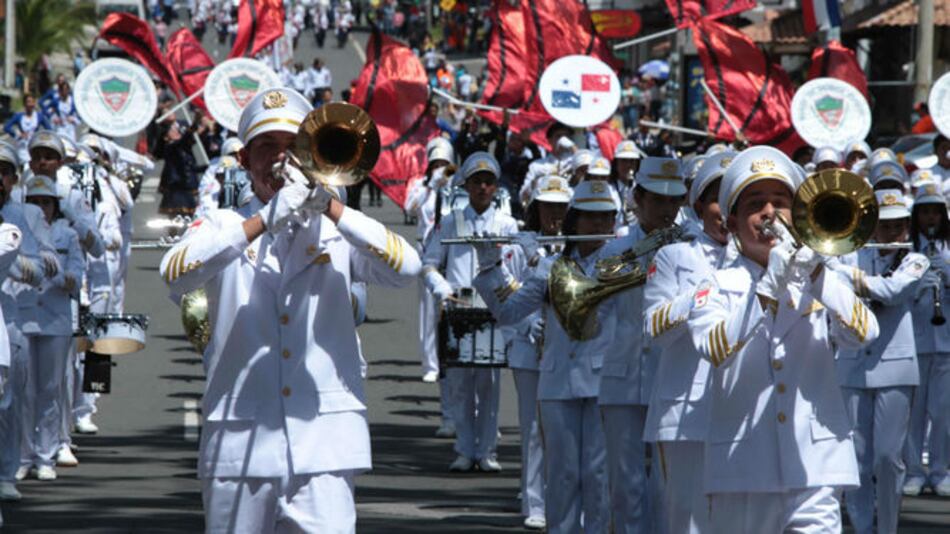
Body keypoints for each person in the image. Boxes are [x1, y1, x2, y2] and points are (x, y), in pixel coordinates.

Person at [160, 88, 421, 532]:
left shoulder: (337, 228)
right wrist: (263, 221)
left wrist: (332, 207)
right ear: (243, 160)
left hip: (325, 444)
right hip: (240, 442)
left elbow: (406, 266)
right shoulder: (223, 224)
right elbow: (175, 273)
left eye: (290, 147)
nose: (280, 160)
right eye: (266, 148)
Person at [687, 145, 878, 531]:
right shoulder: (714, 285)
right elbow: (715, 349)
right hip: (742, 467)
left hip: (816, 465)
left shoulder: (821, 278)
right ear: (733, 222)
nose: (770, 213)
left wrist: (819, 277)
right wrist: (771, 283)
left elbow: (865, 332)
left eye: (780, 201)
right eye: (756, 204)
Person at [474, 180, 616, 533]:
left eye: (606, 219)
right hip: (556, 380)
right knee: (563, 473)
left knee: (597, 474)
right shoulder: (552, 264)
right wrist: (491, 266)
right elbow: (508, 311)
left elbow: (582, 292)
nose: (599, 227)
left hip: (601, 382)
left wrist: (537, 259)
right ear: (575, 221)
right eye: (591, 218)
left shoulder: (618, 262)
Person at [642, 150, 734, 534]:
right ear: (698, 205)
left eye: (737, 200)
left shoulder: (768, 259)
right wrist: (695, 296)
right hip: (685, 414)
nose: (726, 210)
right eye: (717, 199)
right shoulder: (674, 256)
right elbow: (652, 329)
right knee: (687, 523)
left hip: (745, 411)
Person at [596, 157, 686, 533]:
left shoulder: (690, 247)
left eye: (673, 201)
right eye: (657, 200)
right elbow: (597, 313)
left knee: (667, 485)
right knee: (624, 483)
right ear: (637, 198)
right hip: (622, 373)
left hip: (670, 377)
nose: (666, 209)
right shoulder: (612, 250)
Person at [833, 189, 927, 534]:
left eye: (899, 225)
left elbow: (895, 291)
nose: (892, 233)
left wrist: (856, 282)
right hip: (853, 365)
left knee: (888, 459)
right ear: (871, 227)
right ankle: (860, 526)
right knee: (855, 458)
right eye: (884, 225)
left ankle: (887, 528)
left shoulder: (916, 259)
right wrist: (854, 279)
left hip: (896, 368)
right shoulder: (852, 256)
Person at [422, 152, 517, 472]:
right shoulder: (451, 220)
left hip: (493, 308)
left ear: (495, 187)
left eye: (489, 182)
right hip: (460, 308)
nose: (483, 188)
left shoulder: (506, 222)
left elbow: (515, 266)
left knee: (489, 384)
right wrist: (443, 290)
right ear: (467, 185)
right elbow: (430, 263)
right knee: (461, 384)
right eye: (477, 182)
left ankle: (488, 451)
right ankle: (464, 448)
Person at [504, 174, 572, 530]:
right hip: (528, 348)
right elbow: (505, 297)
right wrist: (525, 325)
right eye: (549, 207)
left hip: (567, 348)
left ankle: (559, 496)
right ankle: (534, 501)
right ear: (536, 208)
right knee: (533, 429)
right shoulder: (520, 244)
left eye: (562, 208)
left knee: (562, 428)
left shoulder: (579, 244)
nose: (555, 215)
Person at [19, 175, 82, 481]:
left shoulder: (66, 234)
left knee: (50, 390)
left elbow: (76, 279)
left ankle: (46, 455)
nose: (41, 208)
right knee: (24, 391)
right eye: (35, 202)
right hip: (25, 316)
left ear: (56, 206)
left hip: (56, 319)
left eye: (46, 202)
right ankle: (23, 455)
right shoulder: (16, 232)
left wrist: (54, 274)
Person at [903, 182, 950, 497]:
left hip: (946, 340)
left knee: (943, 411)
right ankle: (913, 471)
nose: (930, 218)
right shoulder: (905, 249)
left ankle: (940, 470)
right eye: (925, 212)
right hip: (914, 339)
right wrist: (917, 285)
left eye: (935, 211)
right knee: (913, 413)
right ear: (916, 216)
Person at [4, 95, 51, 163]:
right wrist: (18, 134)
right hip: (22, 148)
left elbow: (49, 130)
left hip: (35, 148)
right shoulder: (19, 116)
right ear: (24, 104)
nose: (31, 104)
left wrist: (40, 136)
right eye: (28, 102)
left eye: (32, 102)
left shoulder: (39, 116)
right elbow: (6, 127)